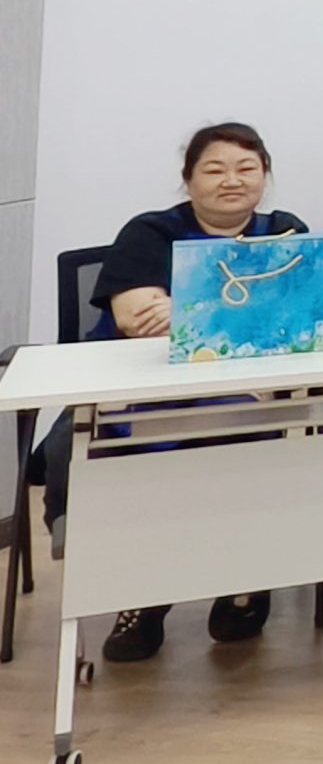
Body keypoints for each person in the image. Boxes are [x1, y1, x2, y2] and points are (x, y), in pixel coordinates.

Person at [45, 124, 308, 662]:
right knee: (148, 459)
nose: (232, 180)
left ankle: (241, 580)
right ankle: (145, 594)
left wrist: (186, 307)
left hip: (243, 392)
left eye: (246, 168)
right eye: (214, 169)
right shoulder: (150, 232)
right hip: (141, 392)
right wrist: (249, 312)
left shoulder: (285, 233)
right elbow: (136, 318)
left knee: (252, 442)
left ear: (265, 176)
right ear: (188, 180)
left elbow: (301, 316)